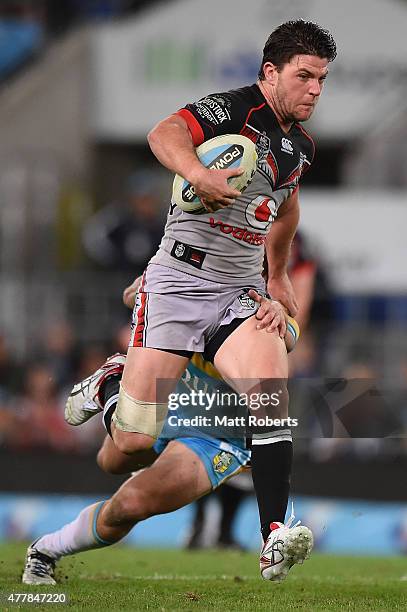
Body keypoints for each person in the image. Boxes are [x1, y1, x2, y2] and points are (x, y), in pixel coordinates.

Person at [75, 20, 337, 580]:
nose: (315, 89)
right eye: (304, 76)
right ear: (271, 74)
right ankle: (109, 387)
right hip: (176, 285)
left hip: (237, 292)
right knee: (134, 445)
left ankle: (273, 537)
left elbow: (286, 208)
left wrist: (279, 273)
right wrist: (195, 170)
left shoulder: (301, 146)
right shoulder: (232, 110)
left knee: (270, 398)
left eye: (322, 79)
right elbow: (163, 132)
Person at [22, 282, 306, 585]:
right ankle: (110, 384)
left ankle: (45, 551)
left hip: (216, 438)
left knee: (128, 506)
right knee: (111, 459)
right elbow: (132, 298)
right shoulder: (187, 280)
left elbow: (290, 337)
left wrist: (280, 317)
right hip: (169, 399)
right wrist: (143, 293)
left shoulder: (265, 312)